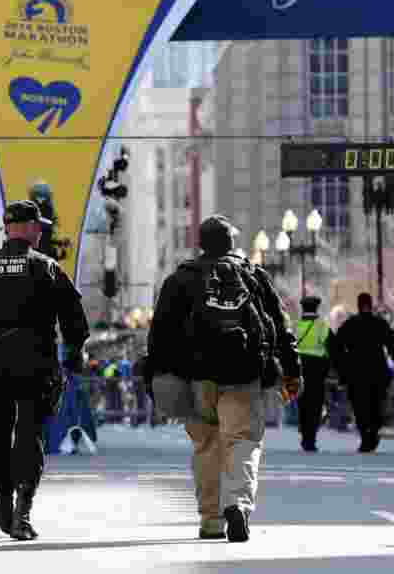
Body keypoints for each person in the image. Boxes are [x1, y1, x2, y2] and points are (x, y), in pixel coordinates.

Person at [144, 214, 300, 543]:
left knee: (207, 446)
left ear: (201, 243)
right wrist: (293, 370)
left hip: (196, 379)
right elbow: (281, 326)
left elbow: (159, 335)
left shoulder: (180, 279)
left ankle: (211, 520)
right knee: (242, 441)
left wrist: (155, 377)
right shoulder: (254, 275)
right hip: (245, 376)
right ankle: (238, 505)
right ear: (233, 243)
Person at [0, 199, 90, 541]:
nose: (41, 231)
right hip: (38, 365)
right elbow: (76, 323)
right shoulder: (47, 268)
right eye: (38, 226)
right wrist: (72, 358)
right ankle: (22, 513)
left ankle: (6, 505)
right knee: (30, 435)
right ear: (27, 229)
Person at [331, 292, 394, 453]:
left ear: (358, 305)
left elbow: (336, 347)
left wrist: (343, 368)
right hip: (377, 372)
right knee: (376, 406)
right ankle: (373, 433)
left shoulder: (350, 324)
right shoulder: (380, 323)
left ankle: (365, 436)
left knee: (360, 407)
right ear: (371, 304)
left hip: (356, 374)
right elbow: (393, 346)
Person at [294, 295, 333, 453]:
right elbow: (331, 347)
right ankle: (311, 437)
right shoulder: (322, 327)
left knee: (302, 403)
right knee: (315, 404)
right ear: (316, 309)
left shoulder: (296, 326)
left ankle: (304, 434)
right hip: (317, 371)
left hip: (300, 368)